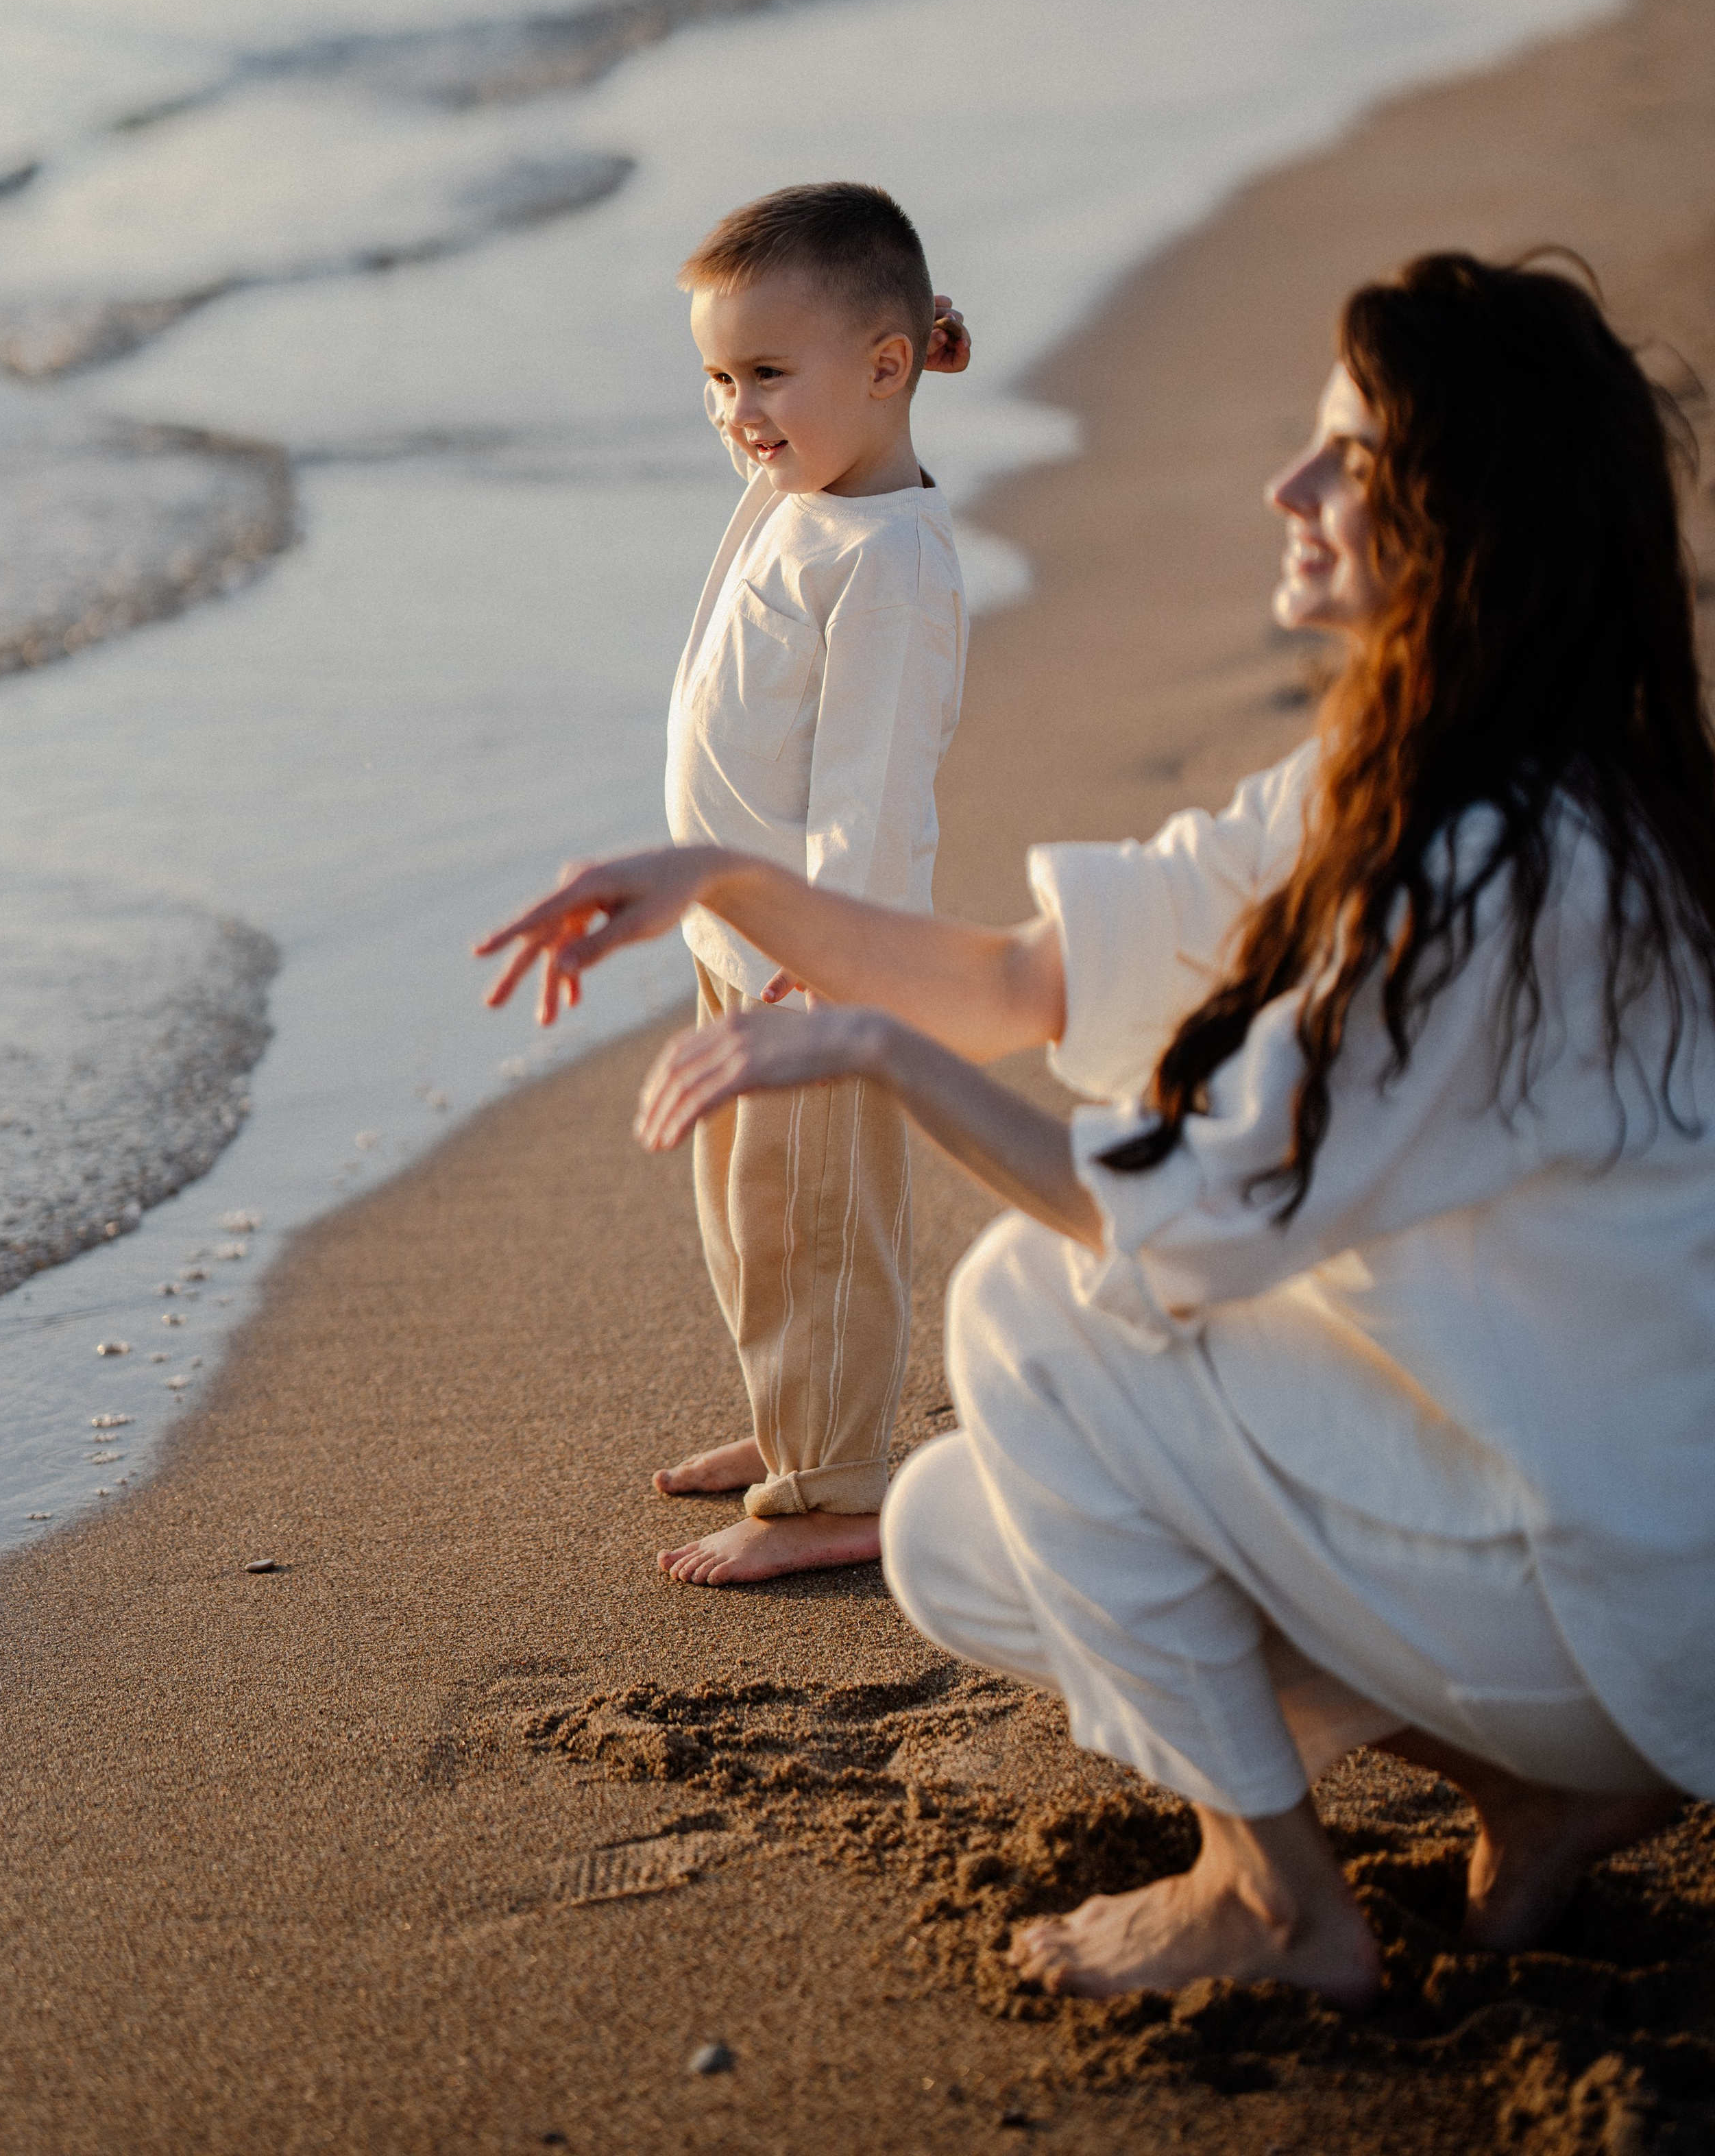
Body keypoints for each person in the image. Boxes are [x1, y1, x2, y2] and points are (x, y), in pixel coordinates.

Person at [476, 250, 1713, 2001]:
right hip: (1546, 1509)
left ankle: (1274, 1901)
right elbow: (1018, 978)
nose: (1284, 490)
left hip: (1616, 1568)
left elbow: (1156, 1219)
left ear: (1466, 520)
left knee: (1032, 1319)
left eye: (1342, 462)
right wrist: (722, 880)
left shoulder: (1496, 866)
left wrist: (876, 1059)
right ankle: (1528, 1778)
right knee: (959, 1539)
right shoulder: (1410, 784)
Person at [487, 182, 971, 1586]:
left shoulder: (887, 560)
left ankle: (832, 1484)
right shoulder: (797, 491)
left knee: (818, 1218)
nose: (736, 412)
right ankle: (784, 1427)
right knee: (744, 1207)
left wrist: (833, 963)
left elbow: (872, 790)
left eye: (766, 375)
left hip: (818, 959)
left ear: (882, 369)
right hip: (734, 932)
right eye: (715, 376)